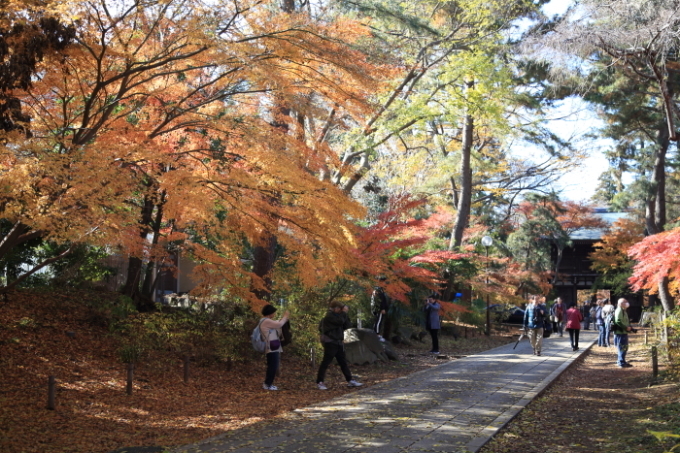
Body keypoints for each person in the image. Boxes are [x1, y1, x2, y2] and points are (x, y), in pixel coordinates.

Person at [316, 301, 363, 390]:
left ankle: (350, 380)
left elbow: (347, 325)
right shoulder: (329, 316)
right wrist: (344, 313)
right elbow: (339, 322)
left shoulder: (340, 316)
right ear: (335, 308)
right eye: (339, 308)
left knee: (343, 362)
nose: (340, 310)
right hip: (330, 341)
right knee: (326, 362)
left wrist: (345, 314)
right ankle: (320, 382)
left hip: (338, 342)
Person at [260, 304, 289, 391]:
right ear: (270, 313)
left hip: (272, 346)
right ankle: (268, 384)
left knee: (272, 365)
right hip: (271, 347)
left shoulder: (266, 321)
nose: (274, 314)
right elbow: (279, 324)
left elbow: (276, 323)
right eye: (273, 312)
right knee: (273, 365)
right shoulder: (266, 321)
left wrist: (281, 320)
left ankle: (268, 383)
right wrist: (285, 317)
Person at [612, 298, 635, 368]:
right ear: (621, 303)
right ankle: (621, 362)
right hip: (620, 332)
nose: (627, 303)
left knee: (624, 347)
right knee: (622, 347)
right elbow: (618, 321)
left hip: (623, 332)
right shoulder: (619, 310)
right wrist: (625, 327)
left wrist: (629, 327)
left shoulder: (623, 310)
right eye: (625, 302)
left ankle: (622, 361)